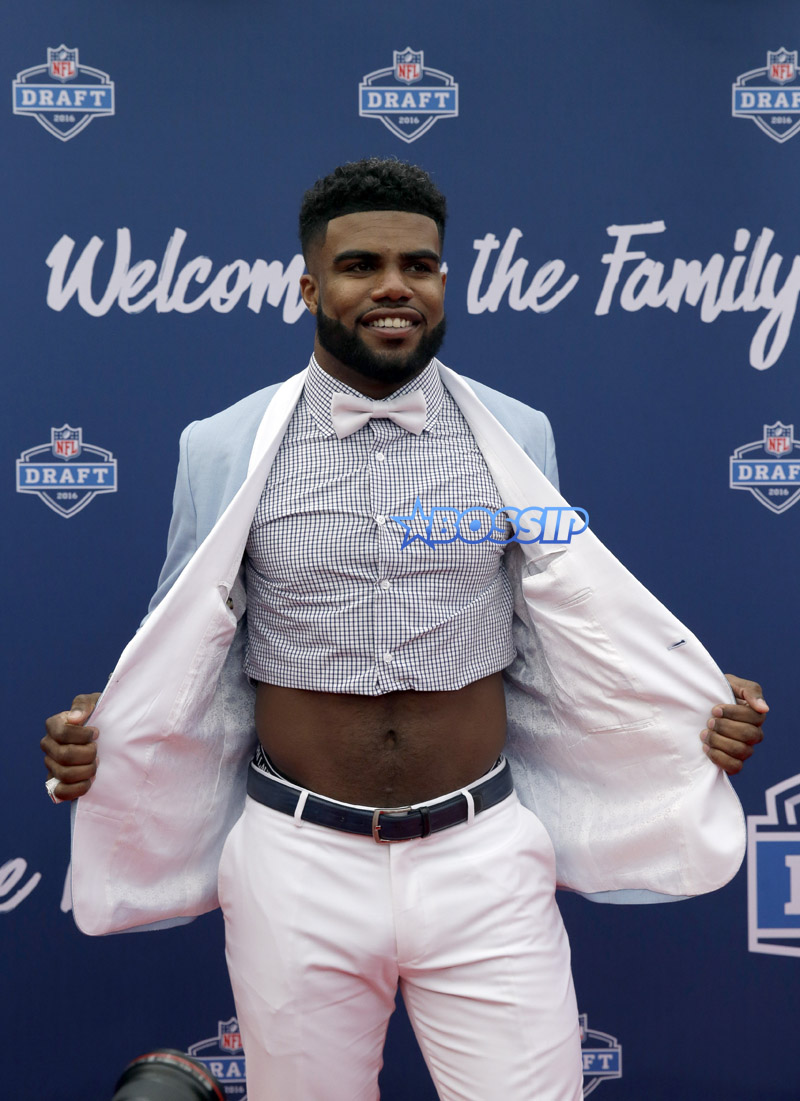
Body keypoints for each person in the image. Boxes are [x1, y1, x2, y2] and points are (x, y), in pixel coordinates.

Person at [42, 158, 767, 1101]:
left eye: (419, 265)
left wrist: (691, 705)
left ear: (442, 280)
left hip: (484, 856)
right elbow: (183, 640)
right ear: (309, 285)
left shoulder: (519, 432)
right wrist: (113, 718)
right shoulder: (219, 446)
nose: (394, 285)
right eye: (361, 265)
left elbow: (575, 624)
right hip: (296, 862)